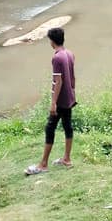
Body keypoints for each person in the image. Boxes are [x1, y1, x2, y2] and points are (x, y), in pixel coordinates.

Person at [25, 27, 75, 175]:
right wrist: (72, 93)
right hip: (69, 97)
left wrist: (53, 102)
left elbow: (57, 81)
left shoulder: (57, 58)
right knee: (67, 126)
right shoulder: (69, 54)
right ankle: (66, 159)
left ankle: (43, 164)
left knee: (50, 128)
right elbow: (72, 77)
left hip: (60, 100)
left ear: (52, 41)